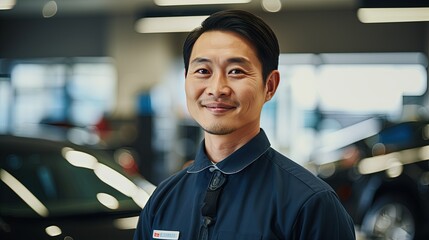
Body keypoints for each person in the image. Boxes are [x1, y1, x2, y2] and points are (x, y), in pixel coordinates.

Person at [134, 9, 356, 240]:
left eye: (236, 71)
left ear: (269, 85)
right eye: (202, 71)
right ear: (186, 80)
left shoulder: (310, 203)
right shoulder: (163, 199)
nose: (217, 88)